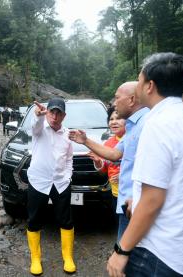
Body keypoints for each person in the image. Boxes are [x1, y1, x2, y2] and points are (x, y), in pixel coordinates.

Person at [107, 52, 183, 277]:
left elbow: (153, 199)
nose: (137, 86)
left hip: (158, 253)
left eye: (140, 79)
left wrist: (121, 250)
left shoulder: (157, 124)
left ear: (149, 86)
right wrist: (138, 199)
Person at [69, 81, 148, 241]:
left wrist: (137, 194)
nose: (113, 102)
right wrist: (85, 141)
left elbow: (152, 165)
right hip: (122, 197)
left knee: (129, 246)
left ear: (132, 100)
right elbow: (114, 154)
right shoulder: (134, 127)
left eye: (117, 97)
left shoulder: (146, 124)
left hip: (136, 201)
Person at [26, 98, 76, 275]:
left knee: (66, 220)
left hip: (61, 183)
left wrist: (68, 176)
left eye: (58, 113)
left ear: (64, 115)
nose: (55, 116)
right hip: (39, 181)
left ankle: (68, 257)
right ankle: (35, 258)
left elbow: (69, 158)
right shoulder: (40, 129)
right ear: (47, 112)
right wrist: (38, 116)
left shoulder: (67, 134)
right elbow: (34, 127)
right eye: (52, 112)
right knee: (34, 220)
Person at [89, 106, 125, 213]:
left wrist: (123, 175)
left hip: (131, 193)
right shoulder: (108, 143)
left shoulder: (133, 139)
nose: (114, 122)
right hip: (115, 192)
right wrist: (98, 162)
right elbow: (104, 169)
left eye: (118, 118)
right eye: (111, 119)